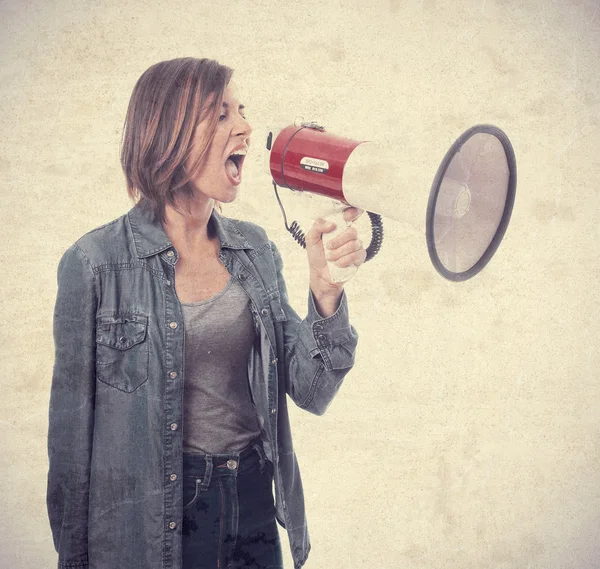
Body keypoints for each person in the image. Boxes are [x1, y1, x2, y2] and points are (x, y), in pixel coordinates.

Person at [46, 57, 365, 569]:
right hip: (160, 521)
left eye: (241, 111)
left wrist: (325, 292)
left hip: (256, 501)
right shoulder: (94, 264)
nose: (244, 126)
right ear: (168, 133)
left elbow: (311, 390)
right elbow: (70, 450)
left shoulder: (255, 250)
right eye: (220, 115)